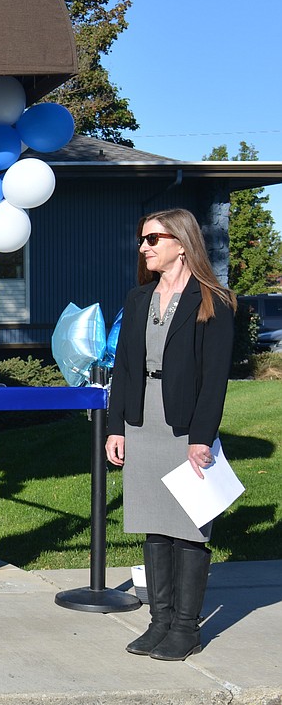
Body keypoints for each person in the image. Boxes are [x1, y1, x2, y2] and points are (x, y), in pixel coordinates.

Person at [105, 208, 236, 661]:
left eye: (153, 239)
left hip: (185, 428)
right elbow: (123, 369)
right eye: (143, 240)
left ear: (181, 243)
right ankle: (159, 622)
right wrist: (116, 427)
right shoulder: (138, 298)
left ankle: (186, 628)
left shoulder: (212, 300)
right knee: (153, 527)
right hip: (143, 424)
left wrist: (202, 436)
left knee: (188, 530)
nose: (144, 247)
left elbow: (215, 377)